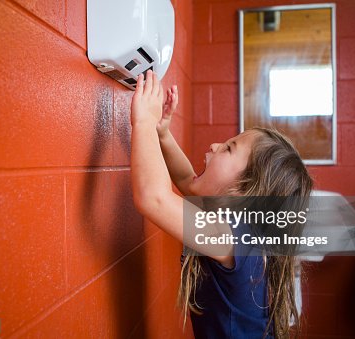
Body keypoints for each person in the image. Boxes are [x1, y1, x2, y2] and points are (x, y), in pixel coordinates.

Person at [130, 70, 313, 339]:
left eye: (228, 149)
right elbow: (187, 181)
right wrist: (163, 134)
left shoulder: (232, 238)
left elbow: (153, 198)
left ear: (244, 189)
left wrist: (143, 120)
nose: (216, 145)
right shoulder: (242, 227)